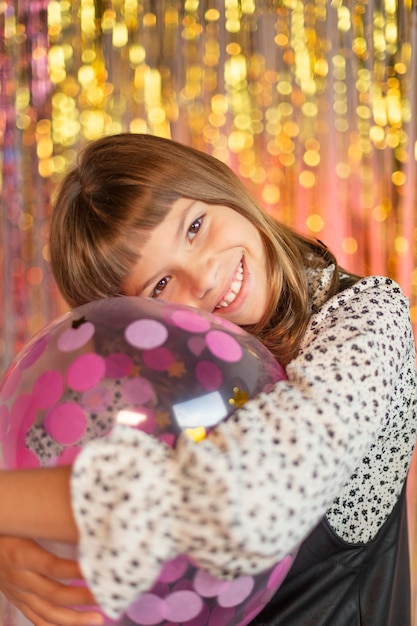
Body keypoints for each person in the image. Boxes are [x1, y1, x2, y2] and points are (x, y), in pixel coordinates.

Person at [0, 132, 416, 626]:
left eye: (195, 226)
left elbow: (239, 499)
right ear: (130, 318)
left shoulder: (368, 320)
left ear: (221, 188)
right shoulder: (161, 388)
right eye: (160, 284)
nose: (204, 277)